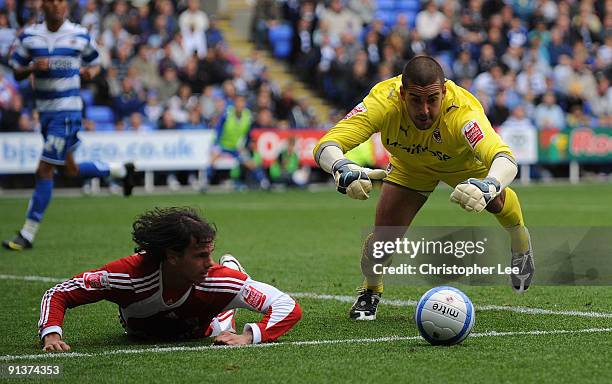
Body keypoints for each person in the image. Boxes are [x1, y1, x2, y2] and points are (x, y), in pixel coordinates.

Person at [312, 55, 534, 320]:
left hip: (460, 166)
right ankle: (371, 289)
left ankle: (521, 243)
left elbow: (505, 159)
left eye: (432, 99)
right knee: (382, 241)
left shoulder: (463, 111)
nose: (425, 110)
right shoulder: (383, 101)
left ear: (443, 92)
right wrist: (342, 167)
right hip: (410, 167)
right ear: (403, 94)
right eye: (416, 100)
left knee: (496, 201)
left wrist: (489, 184)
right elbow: (327, 145)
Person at [39, 207, 302, 352]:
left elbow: (288, 307)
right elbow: (59, 293)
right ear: (172, 256)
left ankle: (236, 277)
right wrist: (51, 334)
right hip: (154, 327)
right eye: (199, 255)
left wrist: (249, 335)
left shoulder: (217, 280)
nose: (208, 263)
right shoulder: (127, 275)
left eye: (209, 254)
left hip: (208, 327)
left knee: (225, 317)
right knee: (227, 298)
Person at [2, 0, 134, 251]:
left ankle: (27, 234)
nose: (58, 6)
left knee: (44, 170)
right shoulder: (30, 36)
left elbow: (96, 63)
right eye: (52, 1)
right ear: (43, 6)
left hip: (68, 112)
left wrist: (89, 73)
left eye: (62, 1)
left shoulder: (80, 35)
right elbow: (16, 70)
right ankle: (120, 171)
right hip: (46, 114)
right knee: (69, 170)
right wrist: (31, 68)